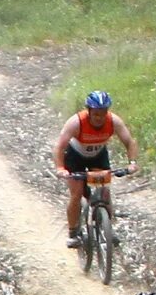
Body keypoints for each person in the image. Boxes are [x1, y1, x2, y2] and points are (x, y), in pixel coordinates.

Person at [52, 89, 142, 245]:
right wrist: (61, 168)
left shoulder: (114, 121)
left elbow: (129, 142)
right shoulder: (76, 122)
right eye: (96, 114)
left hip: (98, 155)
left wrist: (132, 163)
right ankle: (73, 232)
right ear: (89, 111)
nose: (100, 117)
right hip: (75, 156)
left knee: (104, 191)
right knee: (77, 193)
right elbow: (59, 147)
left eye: (103, 113)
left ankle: (107, 228)